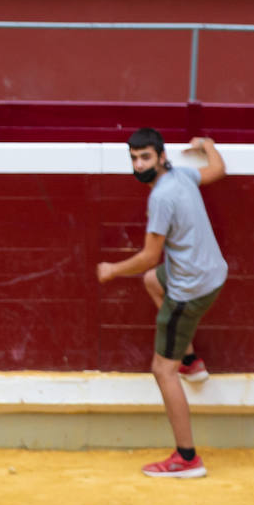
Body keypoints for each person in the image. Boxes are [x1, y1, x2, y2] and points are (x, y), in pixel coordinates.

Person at [97, 127, 228, 479]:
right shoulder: (182, 174)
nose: (139, 165)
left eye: (145, 157)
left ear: (161, 157)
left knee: (161, 370)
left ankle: (187, 459)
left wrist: (111, 269)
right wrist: (208, 145)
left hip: (191, 290)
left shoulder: (160, 199)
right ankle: (190, 360)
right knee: (154, 280)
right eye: (134, 158)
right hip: (212, 274)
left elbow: (147, 256)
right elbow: (217, 170)